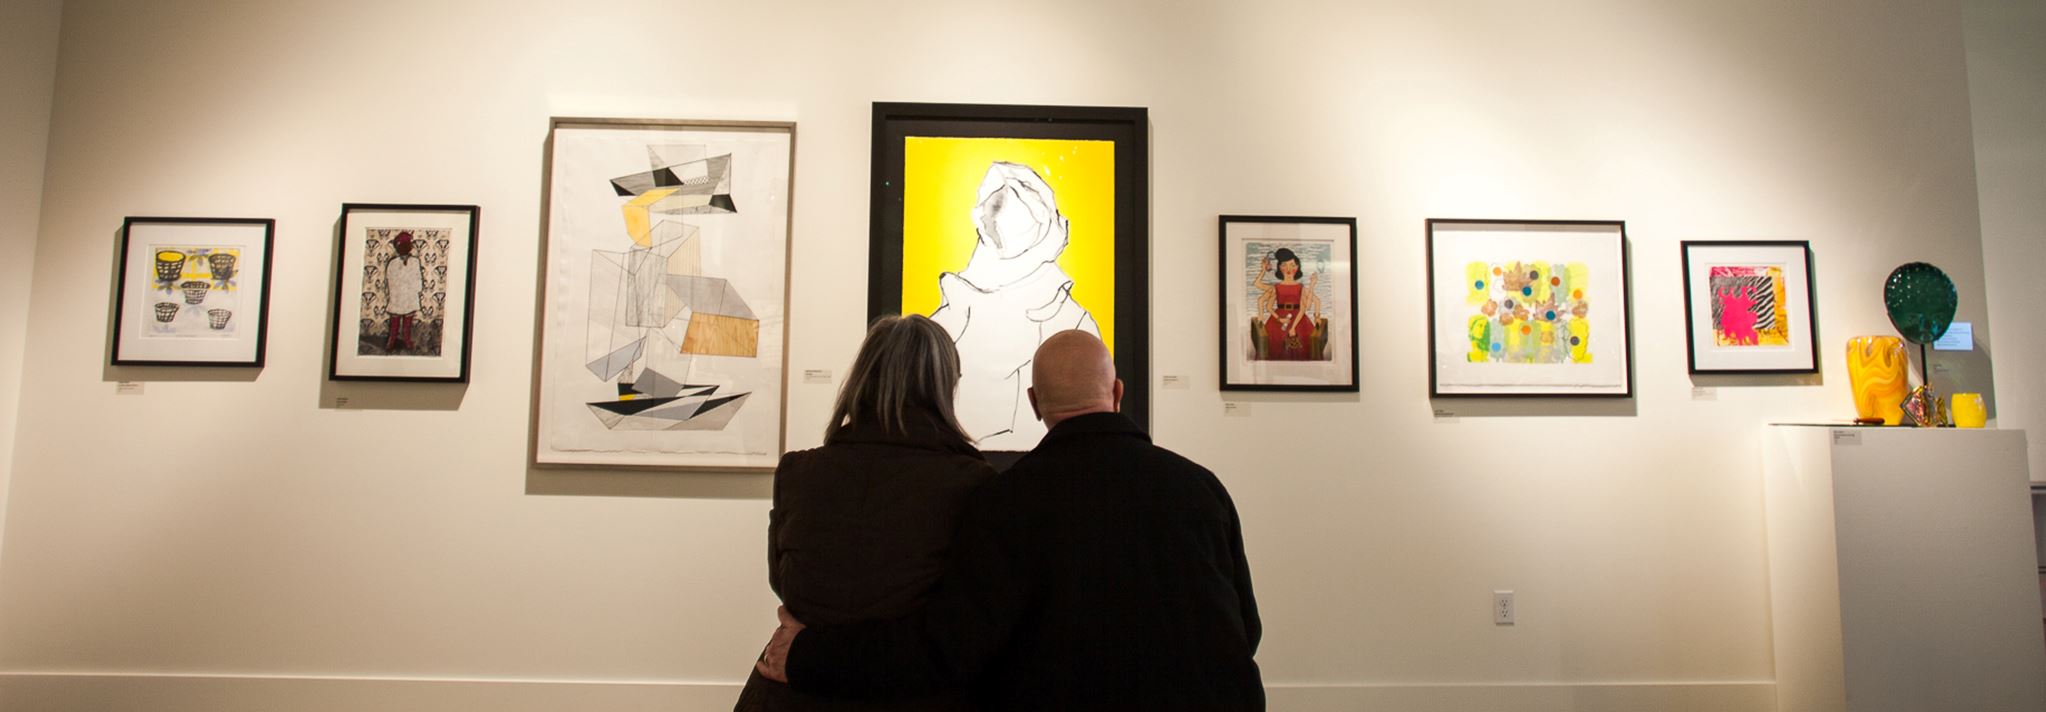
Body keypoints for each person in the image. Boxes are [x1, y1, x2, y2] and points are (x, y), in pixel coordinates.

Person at [755, 330, 1263, 711]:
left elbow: (953, 646)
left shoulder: (1009, 496)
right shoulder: (1201, 487)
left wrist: (806, 655)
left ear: (1035, 403)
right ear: (1119, 392)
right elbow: (1247, 627)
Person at [733, 314, 995, 712]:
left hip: (793, 690)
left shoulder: (800, 471)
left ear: (861, 378)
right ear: (945, 387)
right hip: (905, 693)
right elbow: (959, 621)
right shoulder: (971, 483)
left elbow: (785, 583)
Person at [1254, 247, 1319, 361]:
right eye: (1284, 265)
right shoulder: (1276, 287)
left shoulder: (1301, 287)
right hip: (1278, 320)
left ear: (1297, 267)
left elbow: (1307, 306)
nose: (1289, 269)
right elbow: (1258, 286)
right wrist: (1263, 270)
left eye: (1292, 265)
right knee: (1274, 343)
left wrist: (1316, 317)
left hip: (1298, 319)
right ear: (1279, 267)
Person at [382, 231, 426, 353]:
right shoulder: (392, 263)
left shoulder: (415, 262)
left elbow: (418, 278)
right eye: (402, 246)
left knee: (408, 322)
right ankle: (392, 341)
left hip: (410, 296)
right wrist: (394, 295)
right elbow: (390, 281)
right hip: (397, 296)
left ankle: (407, 340)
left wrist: (417, 291)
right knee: (395, 321)